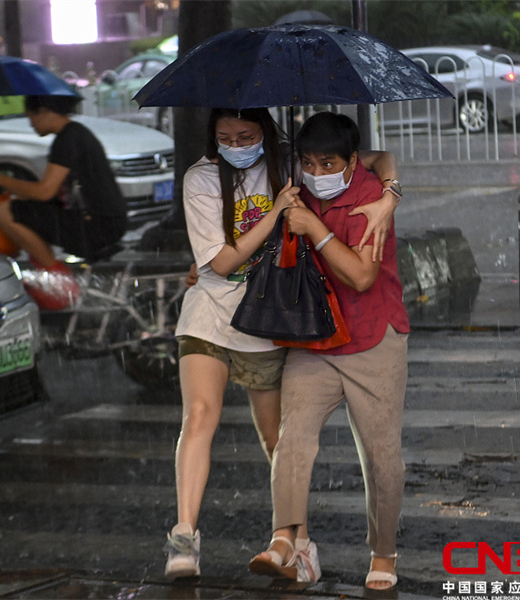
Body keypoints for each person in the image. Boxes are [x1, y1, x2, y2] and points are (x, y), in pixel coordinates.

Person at [166, 107, 402, 582]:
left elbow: (378, 164)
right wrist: (276, 213)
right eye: (226, 137)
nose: (237, 144)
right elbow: (220, 260)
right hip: (252, 323)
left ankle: (343, 549)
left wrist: (390, 196)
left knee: (324, 447)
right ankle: (207, 537)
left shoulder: (310, 172)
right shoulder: (215, 178)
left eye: (247, 135)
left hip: (317, 326)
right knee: (234, 426)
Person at [255, 112, 410, 592]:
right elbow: (382, 156)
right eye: (308, 163)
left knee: (381, 456)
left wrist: (315, 229)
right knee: (293, 435)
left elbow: (362, 277)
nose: (318, 174)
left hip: (372, 338)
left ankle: (383, 552)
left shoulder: (369, 198)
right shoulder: (295, 188)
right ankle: (285, 539)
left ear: (349, 161)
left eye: (329, 163)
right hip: (316, 337)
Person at [0, 95, 127, 310]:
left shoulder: (67, 139)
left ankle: (56, 281)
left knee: (6, 211)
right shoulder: (75, 134)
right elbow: (53, 193)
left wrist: (0, 180)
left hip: (96, 226)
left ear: (45, 111)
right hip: (107, 222)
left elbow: (45, 192)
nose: (31, 123)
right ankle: (52, 276)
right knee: (21, 207)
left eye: (31, 117)